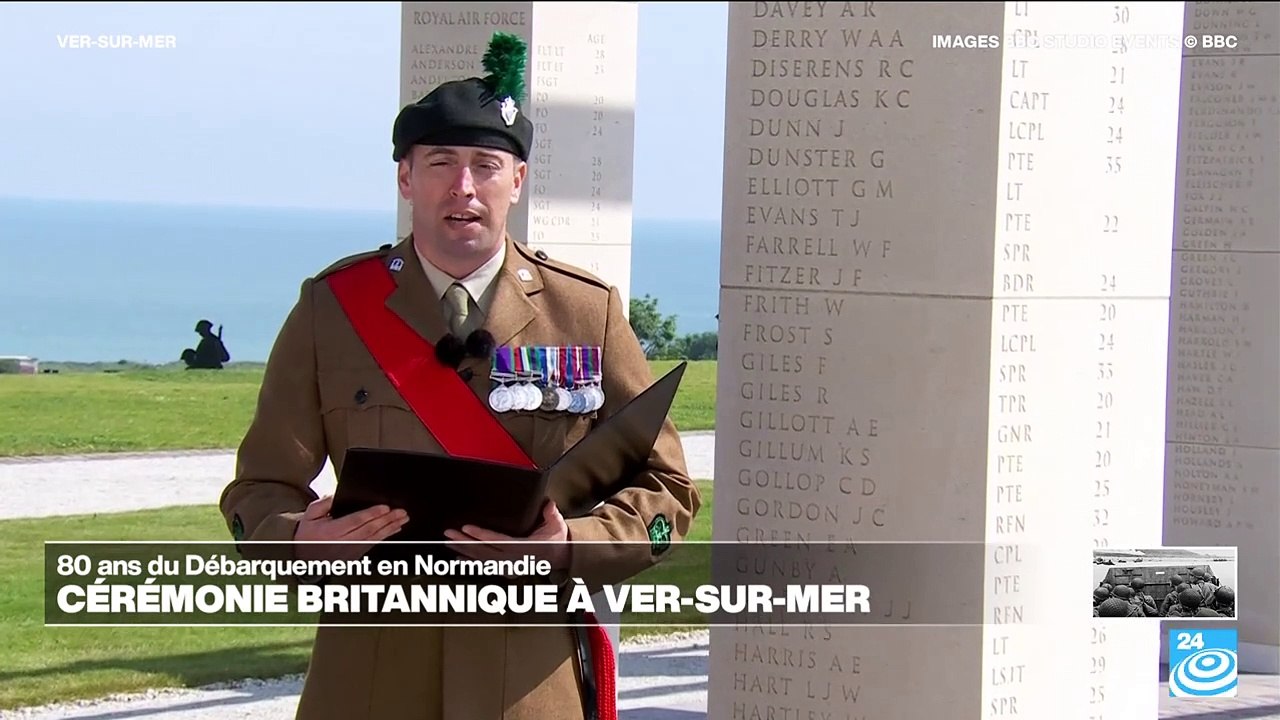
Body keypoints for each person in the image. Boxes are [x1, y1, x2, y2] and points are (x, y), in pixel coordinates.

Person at [218, 32, 700, 720]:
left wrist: (571, 547)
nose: (463, 187)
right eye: (440, 163)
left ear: (518, 181)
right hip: (371, 676)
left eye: (486, 165)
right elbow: (257, 488)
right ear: (405, 179)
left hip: (528, 678)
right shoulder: (334, 309)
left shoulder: (585, 312)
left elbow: (669, 491)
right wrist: (298, 540)